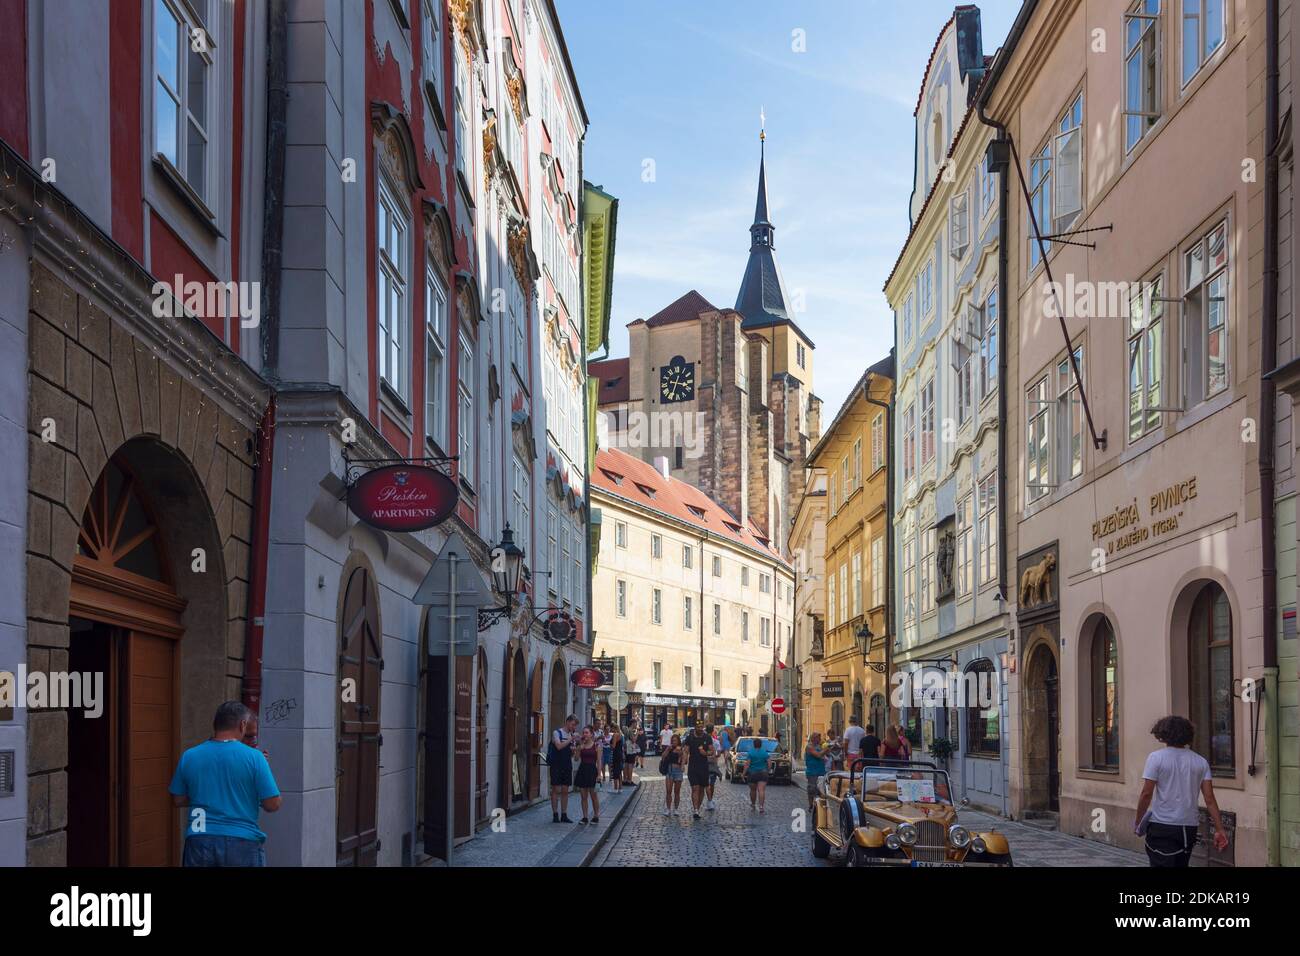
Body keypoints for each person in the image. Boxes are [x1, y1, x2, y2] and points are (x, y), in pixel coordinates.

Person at [169, 701, 281, 866]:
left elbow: (177, 799)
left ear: (216, 725)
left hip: (199, 838)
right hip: (242, 841)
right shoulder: (255, 757)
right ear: (243, 725)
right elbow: (272, 804)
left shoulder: (190, 755)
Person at [1134, 716, 1229, 867]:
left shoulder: (1156, 758)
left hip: (1162, 825)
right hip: (1189, 826)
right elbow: (1209, 799)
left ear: (1162, 734)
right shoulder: (1200, 761)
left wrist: (1138, 821)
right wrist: (1219, 829)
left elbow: (1146, 794)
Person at [549, 714, 578, 823]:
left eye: (575, 726)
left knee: (565, 790)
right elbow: (559, 746)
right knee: (556, 789)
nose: (573, 727)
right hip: (556, 764)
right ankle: (555, 814)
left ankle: (564, 814)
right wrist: (570, 739)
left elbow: (571, 755)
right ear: (567, 722)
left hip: (566, 764)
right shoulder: (557, 733)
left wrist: (573, 750)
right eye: (573, 724)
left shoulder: (571, 735)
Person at [684, 723, 712, 819]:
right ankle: (695, 810)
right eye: (698, 727)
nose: (700, 729)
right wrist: (684, 761)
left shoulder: (707, 737)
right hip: (693, 766)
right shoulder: (690, 738)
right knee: (695, 788)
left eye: (701, 727)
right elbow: (686, 750)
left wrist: (705, 753)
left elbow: (712, 751)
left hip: (703, 767)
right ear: (695, 728)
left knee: (701, 789)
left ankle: (698, 808)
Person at [573, 727, 601, 825]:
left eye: (586, 732)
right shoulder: (581, 745)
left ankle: (596, 815)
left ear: (591, 734)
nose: (584, 734)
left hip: (592, 770)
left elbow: (599, 761)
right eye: (583, 732)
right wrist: (578, 749)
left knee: (594, 795)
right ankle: (585, 817)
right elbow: (576, 759)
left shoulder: (597, 745)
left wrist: (599, 774)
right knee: (583, 796)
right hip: (583, 770)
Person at [660, 733, 686, 815]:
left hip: (678, 771)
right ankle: (668, 809)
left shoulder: (681, 749)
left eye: (675, 740)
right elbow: (663, 757)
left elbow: (684, 760)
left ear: (678, 741)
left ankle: (676, 809)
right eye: (672, 741)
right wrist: (667, 749)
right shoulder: (669, 748)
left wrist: (681, 755)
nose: (674, 742)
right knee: (668, 791)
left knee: (677, 791)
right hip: (670, 770)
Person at [804, 732, 829, 811]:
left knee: (821, 789)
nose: (820, 739)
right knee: (812, 788)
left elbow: (824, 756)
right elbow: (818, 755)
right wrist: (826, 750)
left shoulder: (819, 746)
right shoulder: (809, 746)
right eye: (818, 737)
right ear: (814, 738)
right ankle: (811, 805)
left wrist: (828, 751)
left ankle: (819, 806)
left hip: (821, 771)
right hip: (812, 771)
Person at [745, 738, 771, 813]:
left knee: (753, 790)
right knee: (761, 790)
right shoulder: (764, 753)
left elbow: (747, 764)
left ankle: (753, 804)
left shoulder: (750, 753)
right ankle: (761, 807)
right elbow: (769, 762)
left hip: (752, 773)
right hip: (763, 773)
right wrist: (768, 770)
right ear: (761, 745)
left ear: (754, 745)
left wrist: (743, 774)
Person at [705, 727, 722, 810]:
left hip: (703, 764)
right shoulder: (716, 742)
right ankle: (710, 800)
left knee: (705, 784)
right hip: (713, 765)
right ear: (712, 732)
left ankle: (709, 800)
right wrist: (713, 755)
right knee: (712, 784)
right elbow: (719, 754)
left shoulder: (703, 741)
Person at [609, 727, 625, 793]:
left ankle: (615, 788)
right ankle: (620, 788)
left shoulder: (615, 735)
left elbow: (613, 746)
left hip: (616, 754)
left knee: (615, 770)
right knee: (619, 771)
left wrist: (608, 744)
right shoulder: (621, 735)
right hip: (619, 754)